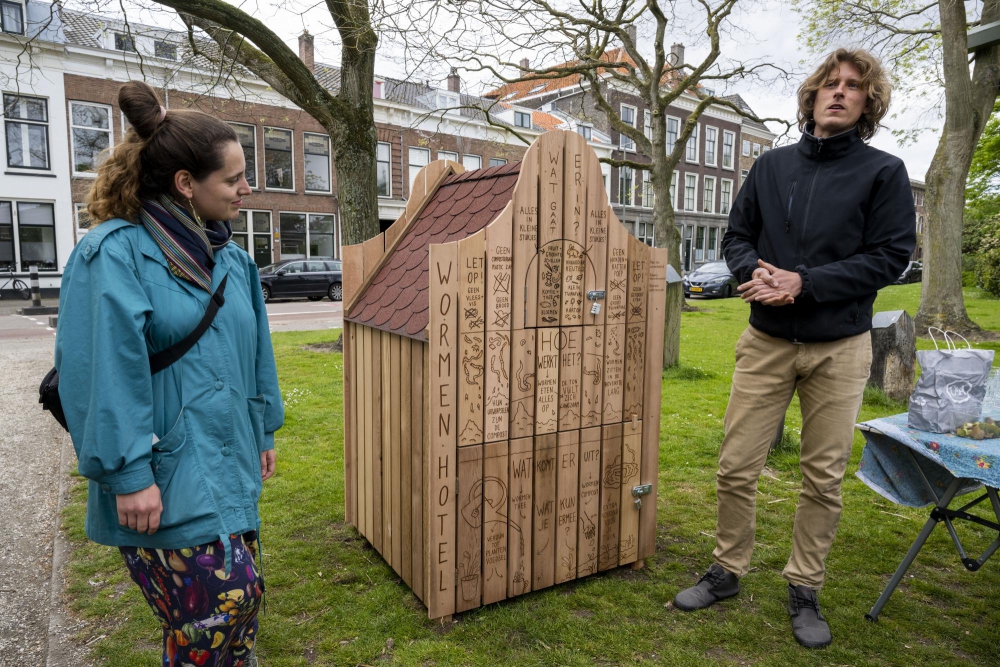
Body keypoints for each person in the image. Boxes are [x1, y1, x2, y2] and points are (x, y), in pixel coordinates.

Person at [672, 49, 916, 648]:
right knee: (735, 465)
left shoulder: (883, 172)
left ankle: (804, 586)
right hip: (765, 341)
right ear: (810, 96)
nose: (839, 92)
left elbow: (891, 257)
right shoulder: (769, 167)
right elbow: (736, 236)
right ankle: (727, 571)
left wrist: (804, 283)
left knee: (822, 478)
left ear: (868, 102)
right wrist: (752, 272)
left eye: (853, 86)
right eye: (829, 84)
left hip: (841, 347)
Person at [55, 81, 283, 665]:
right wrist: (128, 475)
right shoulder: (114, 253)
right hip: (163, 474)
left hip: (229, 463)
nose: (246, 189)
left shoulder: (232, 258)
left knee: (230, 618)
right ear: (186, 183)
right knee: (220, 610)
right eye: (233, 179)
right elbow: (100, 371)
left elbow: (256, 356)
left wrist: (263, 430)